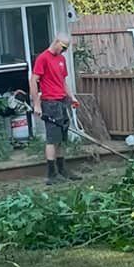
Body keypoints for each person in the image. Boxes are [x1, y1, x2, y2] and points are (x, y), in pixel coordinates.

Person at [29, 31, 79, 183]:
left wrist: (71, 97)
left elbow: (63, 81)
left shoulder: (61, 59)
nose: (64, 51)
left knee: (62, 138)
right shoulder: (43, 58)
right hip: (49, 103)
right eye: (63, 47)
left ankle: (62, 169)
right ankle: (51, 174)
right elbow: (33, 81)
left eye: (66, 49)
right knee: (52, 139)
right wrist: (37, 104)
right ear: (56, 42)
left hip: (62, 101)